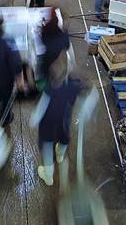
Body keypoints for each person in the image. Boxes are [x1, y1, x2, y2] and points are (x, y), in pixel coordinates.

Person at [31, 57, 84, 186]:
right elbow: (87, 92)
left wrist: (34, 119)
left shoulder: (49, 91)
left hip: (48, 126)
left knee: (47, 148)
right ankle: (60, 155)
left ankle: (48, 176)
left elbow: (40, 110)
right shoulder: (73, 85)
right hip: (64, 121)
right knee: (64, 137)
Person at [37, 9, 69, 90]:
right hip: (57, 60)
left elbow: (42, 40)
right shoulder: (62, 34)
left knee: (45, 75)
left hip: (48, 59)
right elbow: (66, 46)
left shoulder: (46, 29)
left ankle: (46, 88)